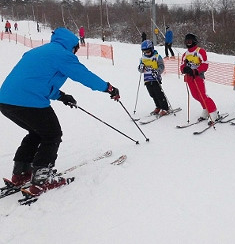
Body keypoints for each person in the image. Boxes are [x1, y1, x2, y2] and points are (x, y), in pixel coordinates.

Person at [0, 27, 120, 196]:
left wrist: (61, 96)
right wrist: (108, 88)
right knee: (52, 135)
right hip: (28, 100)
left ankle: (20, 173)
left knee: (36, 133)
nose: (75, 53)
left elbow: (37, 81)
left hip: (5, 100)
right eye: (76, 49)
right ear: (72, 45)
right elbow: (83, 75)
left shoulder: (40, 51)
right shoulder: (63, 55)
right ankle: (42, 180)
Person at [180, 33, 220, 125]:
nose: (188, 43)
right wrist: (184, 69)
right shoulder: (185, 54)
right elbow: (182, 65)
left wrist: (196, 71)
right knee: (195, 95)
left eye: (190, 41)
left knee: (202, 95)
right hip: (189, 78)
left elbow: (205, 64)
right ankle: (206, 109)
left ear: (194, 41)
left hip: (197, 76)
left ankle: (213, 112)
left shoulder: (200, 51)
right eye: (187, 41)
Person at [138, 40, 169, 116]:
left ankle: (165, 108)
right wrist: (141, 67)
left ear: (152, 49)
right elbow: (140, 69)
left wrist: (157, 71)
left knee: (158, 93)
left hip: (155, 79)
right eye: (144, 51)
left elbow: (162, 66)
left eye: (148, 51)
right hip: (147, 79)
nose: (146, 53)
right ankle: (158, 106)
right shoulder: (142, 58)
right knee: (152, 94)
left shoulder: (157, 57)